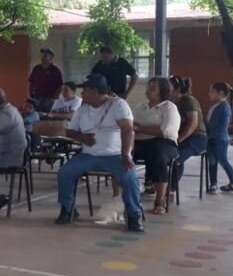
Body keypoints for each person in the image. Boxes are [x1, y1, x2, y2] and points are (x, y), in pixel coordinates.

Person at [55, 74, 143, 232]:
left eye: (85, 90)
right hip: (88, 155)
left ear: (95, 91)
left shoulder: (118, 105)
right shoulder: (82, 109)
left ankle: (133, 214)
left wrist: (125, 155)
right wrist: (82, 137)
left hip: (115, 155)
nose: (82, 94)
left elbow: (128, 129)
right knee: (65, 172)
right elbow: (69, 132)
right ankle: (68, 209)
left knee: (129, 178)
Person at [132, 78, 181, 215]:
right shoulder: (140, 107)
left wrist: (140, 128)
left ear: (162, 91)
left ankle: (160, 200)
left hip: (165, 143)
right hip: (140, 142)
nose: (148, 90)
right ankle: (122, 197)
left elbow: (166, 131)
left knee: (158, 154)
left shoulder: (169, 107)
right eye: (148, 86)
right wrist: (141, 129)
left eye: (153, 88)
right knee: (123, 154)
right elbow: (131, 126)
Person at [169, 75, 206, 190]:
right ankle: (153, 184)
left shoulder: (188, 101)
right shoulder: (169, 102)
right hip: (180, 137)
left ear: (178, 89)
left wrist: (179, 139)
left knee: (176, 158)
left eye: (168, 86)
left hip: (196, 138)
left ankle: (170, 188)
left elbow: (193, 124)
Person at [206, 82, 233, 193]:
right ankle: (213, 184)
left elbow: (216, 124)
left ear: (221, 93)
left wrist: (206, 127)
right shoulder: (216, 106)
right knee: (211, 161)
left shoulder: (224, 107)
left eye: (212, 91)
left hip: (219, 139)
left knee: (223, 160)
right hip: (211, 138)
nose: (209, 94)